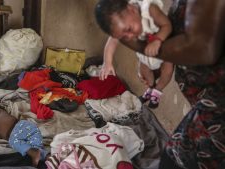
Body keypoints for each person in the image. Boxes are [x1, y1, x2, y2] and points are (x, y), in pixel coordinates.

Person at [97, 0, 225, 168]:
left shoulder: (147, 10)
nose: (128, 37)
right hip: (207, 96)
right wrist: (147, 62)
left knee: (175, 160)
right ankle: (154, 90)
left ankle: (156, 91)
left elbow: (203, 48)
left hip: (218, 100)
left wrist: (141, 48)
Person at [95, 0, 174, 108]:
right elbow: (111, 42)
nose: (130, 37)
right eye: (124, 37)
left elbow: (167, 25)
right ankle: (150, 87)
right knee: (144, 72)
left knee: (167, 72)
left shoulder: (150, 10)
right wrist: (107, 63)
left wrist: (157, 40)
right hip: (145, 53)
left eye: (129, 29)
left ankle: (157, 91)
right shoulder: (122, 26)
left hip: (165, 48)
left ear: (132, 9)